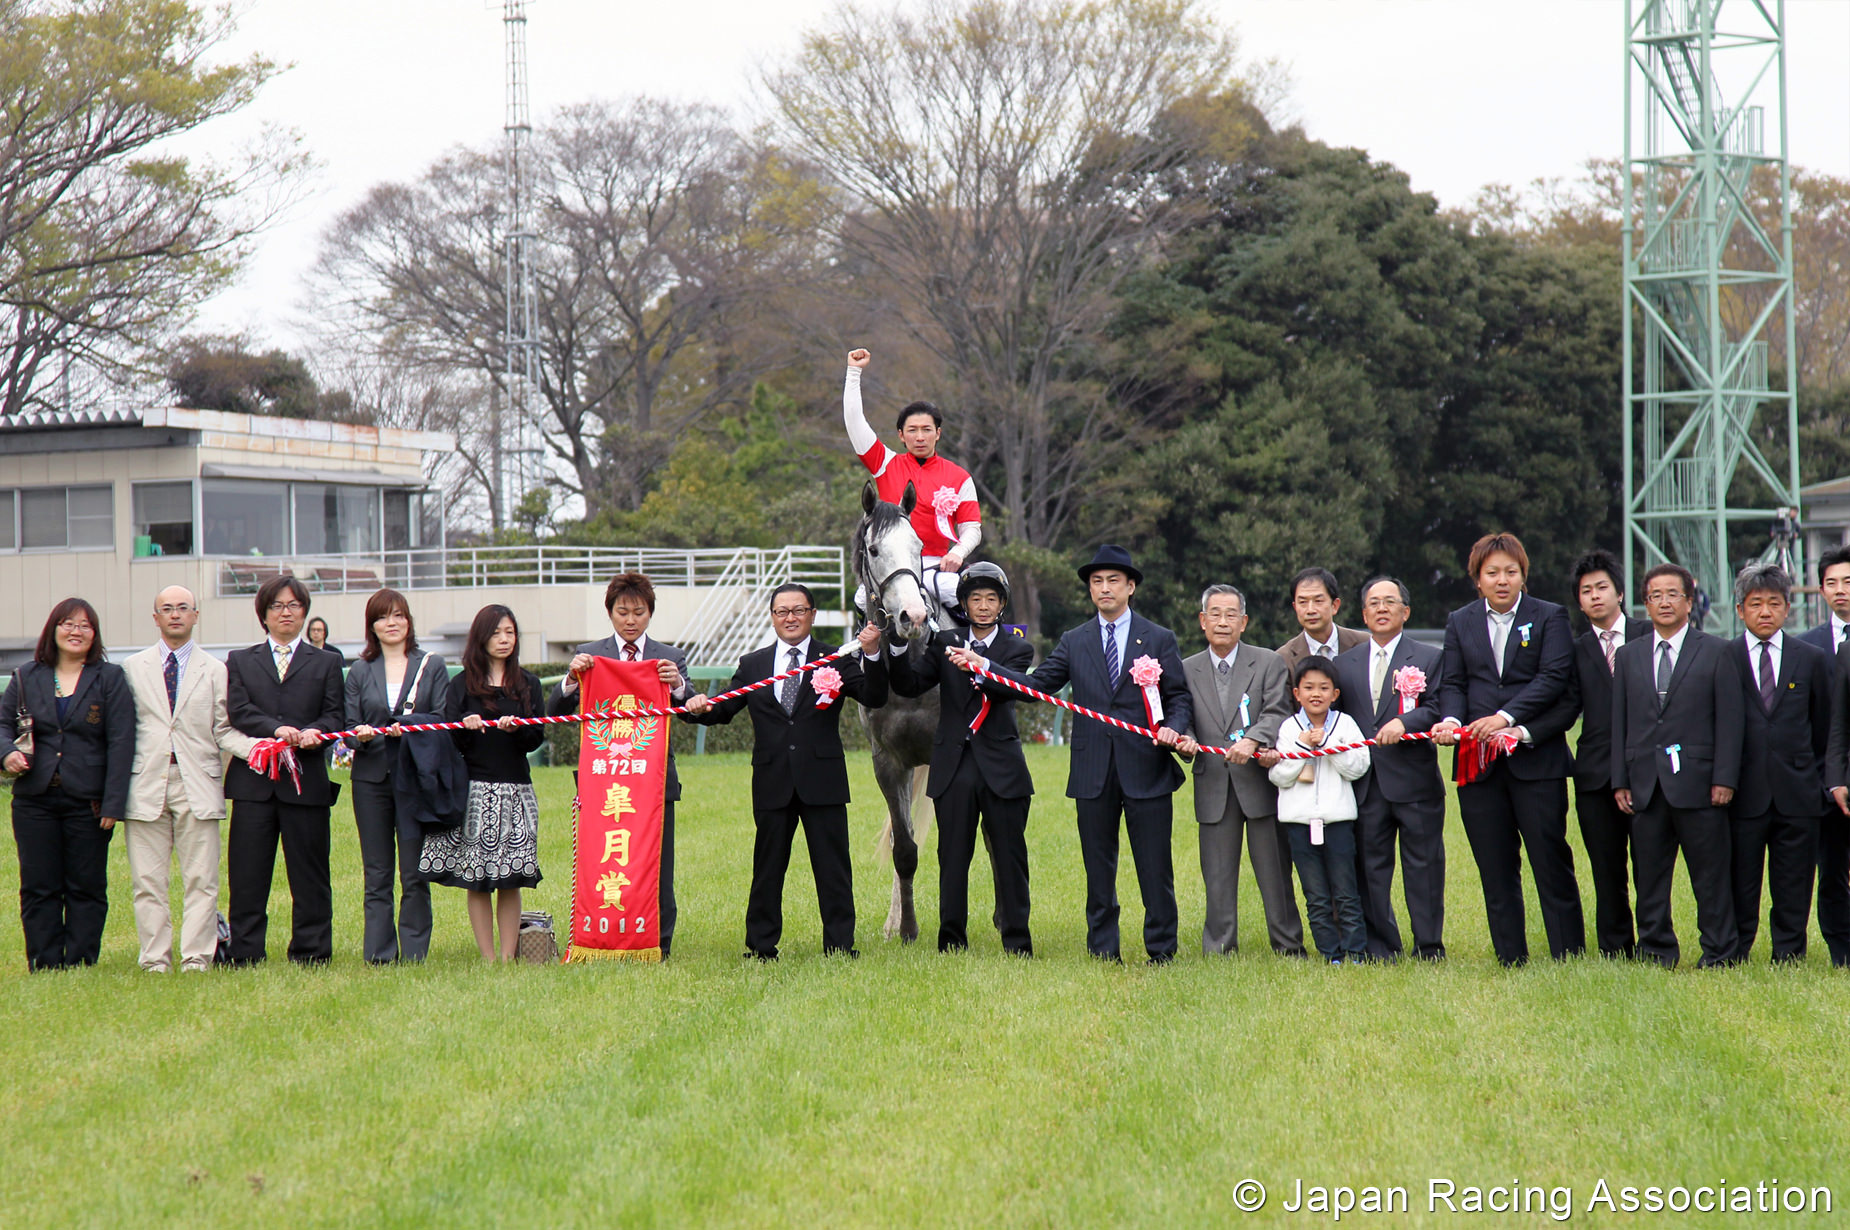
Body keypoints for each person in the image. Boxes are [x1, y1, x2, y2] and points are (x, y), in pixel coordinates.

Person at [951, 545, 1191, 963]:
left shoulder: (1158, 638)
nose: (1104, 588)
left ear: (1130, 587)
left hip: (1146, 767)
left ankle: (1162, 950)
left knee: (1156, 867)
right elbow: (1037, 685)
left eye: (1113, 580)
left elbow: (1179, 697)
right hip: (1092, 768)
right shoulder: (1074, 640)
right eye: (1096, 582)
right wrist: (984, 667)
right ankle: (1103, 949)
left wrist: (1174, 726)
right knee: (1099, 869)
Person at [686, 586, 887, 959]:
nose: (790, 618)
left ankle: (840, 946)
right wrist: (691, 701)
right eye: (782, 611)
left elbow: (875, 697)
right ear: (772, 616)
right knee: (767, 867)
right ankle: (761, 946)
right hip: (772, 779)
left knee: (833, 868)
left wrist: (872, 653)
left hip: (822, 781)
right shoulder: (754, 664)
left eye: (798, 610)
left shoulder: (835, 658)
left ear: (812, 614)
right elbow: (720, 712)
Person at [1433, 532, 1584, 966]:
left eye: (1511, 572)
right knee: (1495, 867)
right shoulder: (1459, 621)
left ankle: (1568, 955)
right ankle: (1510, 957)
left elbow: (1553, 678)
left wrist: (1506, 719)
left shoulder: (1550, 616)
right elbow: (1455, 683)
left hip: (1537, 762)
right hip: (1479, 767)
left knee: (1550, 860)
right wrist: (1451, 720)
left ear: (1523, 575)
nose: (1502, 580)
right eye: (1492, 573)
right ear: (1477, 579)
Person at [886, 562, 1035, 954]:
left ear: (1001, 604)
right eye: (975, 599)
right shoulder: (944, 642)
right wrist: (899, 646)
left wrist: (983, 666)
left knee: (1010, 857)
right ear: (964, 604)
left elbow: (1018, 689)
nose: (983, 606)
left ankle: (1017, 941)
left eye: (991, 599)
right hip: (954, 767)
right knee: (952, 858)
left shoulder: (1017, 647)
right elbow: (910, 683)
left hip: (1002, 767)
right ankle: (951, 941)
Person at [550, 572, 691, 956]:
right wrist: (570, 679)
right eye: (623, 612)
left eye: (639, 612)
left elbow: (691, 707)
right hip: (604, 781)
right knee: (603, 861)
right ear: (610, 613)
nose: (631, 620)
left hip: (655, 781)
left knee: (657, 867)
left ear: (650, 614)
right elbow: (554, 709)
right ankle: (603, 936)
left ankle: (657, 944)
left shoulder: (670, 657)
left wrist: (677, 684)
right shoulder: (590, 655)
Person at [121, 586, 259, 972]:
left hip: (197, 781)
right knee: (148, 881)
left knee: (202, 879)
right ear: (156, 618)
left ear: (196, 615)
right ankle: (154, 959)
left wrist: (260, 749)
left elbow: (224, 730)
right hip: (145, 783)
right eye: (167, 609)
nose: (175, 614)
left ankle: (197, 956)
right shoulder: (132, 669)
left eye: (183, 608)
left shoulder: (216, 670)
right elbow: (122, 732)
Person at [1611, 563, 1743, 969]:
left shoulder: (1718, 651)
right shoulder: (1629, 655)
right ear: (1645, 603)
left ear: (1689, 601)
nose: (1664, 602)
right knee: (1649, 877)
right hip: (1646, 785)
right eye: (1656, 596)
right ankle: (1655, 950)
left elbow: (1731, 720)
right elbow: (1621, 721)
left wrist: (1724, 777)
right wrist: (1621, 780)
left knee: (1710, 876)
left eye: (1673, 594)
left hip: (1702, 785)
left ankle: (1719, 952)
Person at [0, 599, 134, 971]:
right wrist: (6, 753)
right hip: (35, 799)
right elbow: (2, 725)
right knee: (39, 885)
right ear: (53, 629)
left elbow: (122, 742)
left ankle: (80, 961)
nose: (76, 631)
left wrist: (113, 803)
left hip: (87, 801)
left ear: (95, 634)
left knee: (86, 886)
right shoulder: (27, 675)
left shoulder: (110, 678)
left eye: (85, 625)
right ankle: (44, 961)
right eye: (68, 623)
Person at [224, 575, 344, 965]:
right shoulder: (241, 660)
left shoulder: (326, 662)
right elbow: (239, 711)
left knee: (310, 875)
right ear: (264, 615)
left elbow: (334, 715)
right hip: (253, 785)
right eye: (277, 606)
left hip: (305, 782)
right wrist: (275, 730)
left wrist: (316, 733)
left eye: (293, 605)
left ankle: (311, 953)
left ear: (305, 612)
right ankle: (245, 953)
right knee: (247, 875)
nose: (285, 612)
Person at [1176, 584, 1302, 957]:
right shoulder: (1186, 669)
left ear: (1244, 622)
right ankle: (1218, 947)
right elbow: (1182, 716)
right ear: (1202, 621)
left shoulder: (1268, 662)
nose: (1223, 621)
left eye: (1231, 614)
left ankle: (1288, 944)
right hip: (1212, 781)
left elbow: (1278, 711)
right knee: (1216, 874)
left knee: (1275, 872)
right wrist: (1184, 738)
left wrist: (1253, 740)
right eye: (1214, 613)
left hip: (1259, 781)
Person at [1330, 577, 1447, 961]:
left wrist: (1407, 722)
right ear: (1363, 614)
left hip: (1415, 781)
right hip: (1365, 783)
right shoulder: (1342, 665)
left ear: (1405, 612)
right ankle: (1382, 946)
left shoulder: (1429, 657)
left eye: (1390, 602)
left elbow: (1439, 707)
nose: (1382, 609)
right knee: (1370, 869)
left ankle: (1428, 946)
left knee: (1424, 868)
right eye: (1374, 603)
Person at [422, 605, 546, 961]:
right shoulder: (461, 684)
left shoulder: (528, 684)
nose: (504, 639)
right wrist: (466, 725)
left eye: (510, 632)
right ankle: (488, 957)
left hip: (518, 789)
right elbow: (448, 739)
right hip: (475, 791)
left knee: (511, 876)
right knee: (477, 877)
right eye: (496, 633)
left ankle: (508, 956)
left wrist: (517, 728)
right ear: (481, 638)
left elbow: (535, 737)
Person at [1727, 564, 1834, 963]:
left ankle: (1789, 953)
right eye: (1756, 604)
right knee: (1742, 880)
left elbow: (1822, 728)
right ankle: (1737, 950)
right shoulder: (1726, 657)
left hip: (1798, 794)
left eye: (1774, 603)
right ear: (1740, 610)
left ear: (1787, 608)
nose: (1765, 612)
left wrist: (1819, 783)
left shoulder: (1810, 658)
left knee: (1794, 882)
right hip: (1744, 793)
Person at [344, 589, 449, 963]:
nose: (392, 623)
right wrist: (360, 735)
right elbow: (348, 725)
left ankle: (416, 952)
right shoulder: (359, 670)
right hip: (370, 780)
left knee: (414, 871)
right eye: (383, 617)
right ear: (372, 626)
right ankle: (379, 953)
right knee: (377, 873)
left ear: (409, 621)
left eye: (398, 616)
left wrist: (409, 727)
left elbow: (441, 717)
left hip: (414, 779)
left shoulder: (430, 665)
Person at [843, 348, 981, 611]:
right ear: (901, 435)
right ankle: (867, 652)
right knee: (862, 599)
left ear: (938, 434)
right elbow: (854, 422)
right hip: (891, 567)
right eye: (913, 431)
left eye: (927, 430)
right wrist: (853, 372)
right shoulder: (885, 463)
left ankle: (975, 647)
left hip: (934, 566)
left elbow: (972, 528)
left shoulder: (960, 477)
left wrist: (957, 554)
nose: (920, 437)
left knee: (964, 593)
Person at [1567, 548, 1652, 959]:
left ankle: (1655, 943)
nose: (1595, 596)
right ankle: (1616, 948)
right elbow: (1566, 707)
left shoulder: (1649, 636)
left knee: (1650, 867)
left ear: (1620, 592)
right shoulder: (1576, 650)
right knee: (1607, 869)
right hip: (1595, 775)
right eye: (1586, 591)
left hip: (1648, 772)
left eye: (1602, 587)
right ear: (1579, 601)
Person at [1263, 657, 1371, 964]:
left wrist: (1328, 746)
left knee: (1346, 891)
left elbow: (1358, 767)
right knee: (1316, 894)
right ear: (1296, 693)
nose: (1316, 694)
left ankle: (1355, 952)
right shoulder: (1288, 728)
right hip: (1299, 823)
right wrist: (1301, 748)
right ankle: (1330, 953)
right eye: (1308, 687)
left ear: (1335, 694)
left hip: (1337, 822)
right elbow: (1279, 775)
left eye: (1324, 688)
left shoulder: (1345, 725)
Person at [1274, 567, 1368, 670]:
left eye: (1318, 601)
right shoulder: (1283, 658)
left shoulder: (1365, 644)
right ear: (1295, 607)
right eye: (1303, 602)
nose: (1311, 610)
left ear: (1335, 605)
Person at [1795, 545, 1850, 658]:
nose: (1839, 590)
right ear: (1822, 591)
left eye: (1848, 582)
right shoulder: (1804, 644)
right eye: (1831, 583)